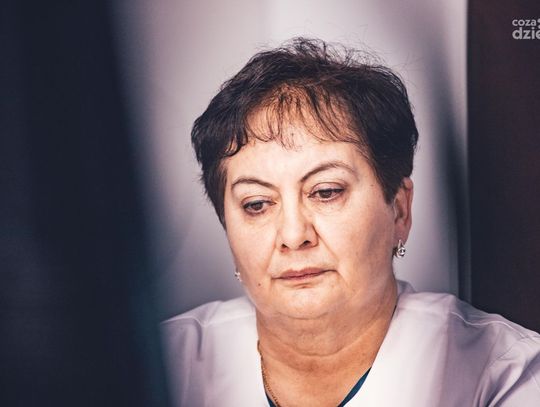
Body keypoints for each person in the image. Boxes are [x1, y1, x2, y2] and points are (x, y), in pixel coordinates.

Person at [162, 38, 540, 406]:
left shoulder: (502, 372)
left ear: (399, 211)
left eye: (326, 192)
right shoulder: (164, 365)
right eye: (257, 204)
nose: (293, 235)